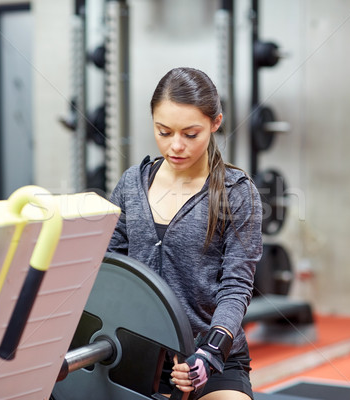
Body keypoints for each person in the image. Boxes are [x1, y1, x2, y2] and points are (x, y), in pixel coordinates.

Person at [107, 67, 263, 400]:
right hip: (135, 353)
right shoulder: (132, 185)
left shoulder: (237, 192)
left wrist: (211, 352)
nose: (175, 146)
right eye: (163, 131)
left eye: (190, 134)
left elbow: (236, 286)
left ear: (215, 123)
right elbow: (108, 269)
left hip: (211, 358)